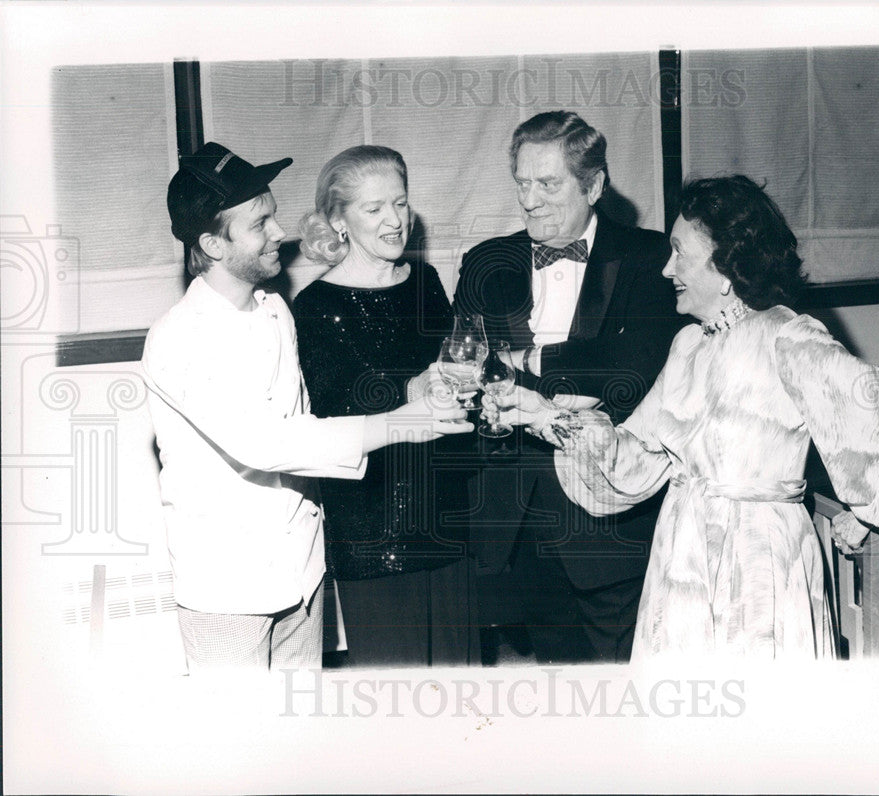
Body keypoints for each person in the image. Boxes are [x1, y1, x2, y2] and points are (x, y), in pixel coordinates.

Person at [490, 174, 879, 660]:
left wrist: (866, 511)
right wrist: (541, 414)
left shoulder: (787, 337)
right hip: (682, 554)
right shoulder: (688, 345)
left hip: (759, 563)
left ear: (728, 266)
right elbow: (634, 459)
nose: (666, 268)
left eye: (680, 254)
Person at [141, 142, 471, 673]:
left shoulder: (275, 310)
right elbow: (267, 443)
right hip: (229, 585)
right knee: (239, 741)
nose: (279, 233)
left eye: (272, 216)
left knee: (302, 731)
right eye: (259, 224)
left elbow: (310, 418)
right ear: (212, 244)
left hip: (302, 568)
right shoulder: (179, 336)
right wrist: (401, 421)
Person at [454, 111, 687, 664]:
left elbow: (634, 374)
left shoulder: (650, 258)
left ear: (595, 185)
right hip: (515, 519)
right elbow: (462, 366)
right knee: (556, 684)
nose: (529, 200)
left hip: (610, 516)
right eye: (522, 183)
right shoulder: (487, 262)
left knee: (626, 682)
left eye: (548, 183)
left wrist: (521, 362)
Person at [293, 145, 478, 667]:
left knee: (459, 679)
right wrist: (414, 387)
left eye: (400, 203)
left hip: (443, 503)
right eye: (374, 209)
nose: (395, 221)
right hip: (371, 522)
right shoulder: (314, 307)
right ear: (338, 221)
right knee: (392, 694)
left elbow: (451, 368)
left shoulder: (425, 282)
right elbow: (331, 415)